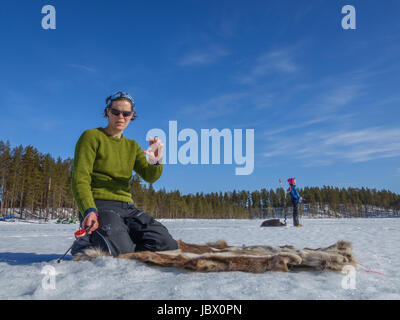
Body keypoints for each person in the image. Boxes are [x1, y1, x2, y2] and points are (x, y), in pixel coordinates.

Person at [70, 91, 178, 257]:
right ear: (107, 112)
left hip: (127, 208)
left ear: (132, 115)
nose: (121, 116)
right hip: (100, 206)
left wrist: (156, 161)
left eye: (126, 113)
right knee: (123, 254)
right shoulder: (91, 137)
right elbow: (80, 179)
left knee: (167, 245)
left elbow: (150, 176)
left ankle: (120, 239)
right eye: (116, 112)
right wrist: (89, 210)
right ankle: (86, 242)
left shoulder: (132, 146)